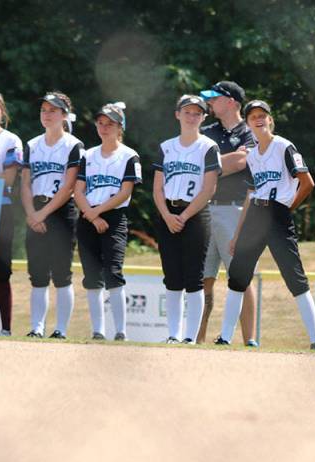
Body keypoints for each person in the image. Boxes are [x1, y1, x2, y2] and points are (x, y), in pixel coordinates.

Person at [217, 100, 315, 349]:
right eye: (253, 116)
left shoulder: (284, 146)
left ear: (270, 119)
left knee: (294, 277)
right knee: (237, 276)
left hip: (278, 213)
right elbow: (251, 194)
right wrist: (237, 235)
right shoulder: (252, 155)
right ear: (248, 122)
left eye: (262, 115)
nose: (258, 119)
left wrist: (287, 208)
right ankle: (223, 337)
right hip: (256, 213)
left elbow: (307, 182)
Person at [153, 94, 220, 344]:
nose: (192, 117)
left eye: (197, 113)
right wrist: (168, 215)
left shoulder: (208, 147)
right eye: (187, 112)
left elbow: (209, 188)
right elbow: (157, 187)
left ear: (204, 117)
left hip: (195, 215)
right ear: (177, 114)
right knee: (172, 277)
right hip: (168, 214)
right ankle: (174, 334)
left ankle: (190, 337)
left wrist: (183, 216)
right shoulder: (166, 147)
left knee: (194, 277)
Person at [198, 80, 259, 346]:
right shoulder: (205, 130)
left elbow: (243, 161)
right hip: (203, 210)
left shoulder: (250, 132)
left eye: (215, 98)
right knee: (203, 280)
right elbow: (197, 163)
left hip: (235, 210)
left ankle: (249, 341)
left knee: (241, 277)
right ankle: (196, 338)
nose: (209, 102)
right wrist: (227, 160)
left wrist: (210, 164)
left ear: (232, 102)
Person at [73, 102, 140, 341]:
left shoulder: (129, 155)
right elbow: (78, 190)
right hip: (87, 216)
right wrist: (91, 215)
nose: (104, 127)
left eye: (110, 123)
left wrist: (97, 213)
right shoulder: (87, 155)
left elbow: (125, 192)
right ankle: (98, 330)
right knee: (92, 275)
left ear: (120, 127)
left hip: (113, 217)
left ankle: (121, 331)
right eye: (101, 123)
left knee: (113, 272)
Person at [21, 92, 82, 339]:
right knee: (37, 273)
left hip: (60, 211)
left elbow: (69, 187)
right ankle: (37, 327)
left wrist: (42, 214)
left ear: (64, 115)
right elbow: (25, 183)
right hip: (35, 208)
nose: (47, 114)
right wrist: (32, 214)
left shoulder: (73, 145)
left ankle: (61, 330)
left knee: (61, 273)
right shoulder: (32, 144)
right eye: (44, 110)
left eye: (53, 110)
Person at [0, 90, 21, 336]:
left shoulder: (11, 141)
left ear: (2, 112)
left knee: (1, 271)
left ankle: (6, 329)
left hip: (0, 209)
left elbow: (9, 178)